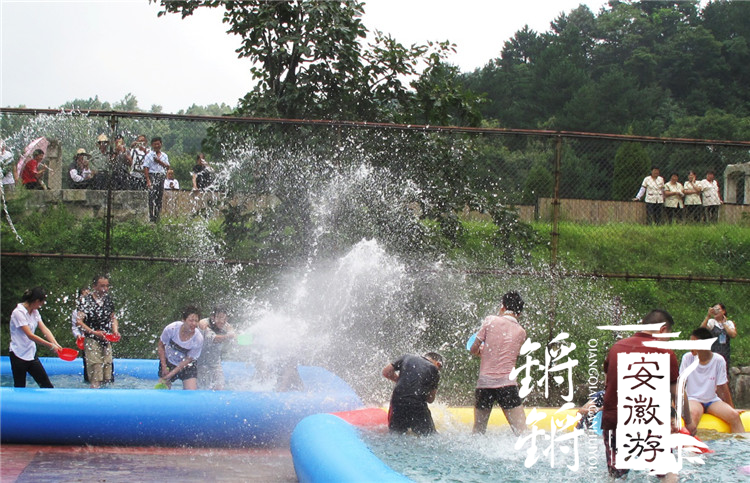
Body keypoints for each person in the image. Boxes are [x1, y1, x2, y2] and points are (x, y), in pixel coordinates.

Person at [601, 309, 694, 479]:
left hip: (614, 420)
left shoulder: (616, 347)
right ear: (663, 329)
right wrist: (689, 422)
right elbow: (678, 393)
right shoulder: (665, 352)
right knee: (667, 472)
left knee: (616, 475)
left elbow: (608, 382)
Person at [469, 291, 528, 435]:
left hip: (485, 384)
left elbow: (473, 349)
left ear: (502, 306)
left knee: (478, 432)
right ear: (519, 313)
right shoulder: (521, 332)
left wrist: (481, 352)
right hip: (507, 385)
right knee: (522, 433)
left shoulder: (490, 320)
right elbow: (508, 354)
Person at [680, 327, 744, 433]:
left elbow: (722, 387)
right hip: (693, 399)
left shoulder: (718, 360)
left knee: (734, 416)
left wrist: (732, 408)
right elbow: (680, 384)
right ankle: (690, 447)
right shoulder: (687, 358)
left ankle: (741, 446)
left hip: (711, 400)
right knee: (693, 415)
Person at [8, 287, 63, 388]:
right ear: (37, 301)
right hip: (18, 354)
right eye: (41, 303)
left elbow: (44, 329)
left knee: (47, 385)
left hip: (31, 354)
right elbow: (30, 335)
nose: (41, 305)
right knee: (20, 386)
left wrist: (55, 343)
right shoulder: (18, 313)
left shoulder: (34, 312)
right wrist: (50, 345)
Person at [382, 351, 444, 435]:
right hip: (417, 406)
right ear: (438, 364)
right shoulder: (434, 369)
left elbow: (386, 372)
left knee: (396, 434)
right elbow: (430, 399)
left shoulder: (406, 357)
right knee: (430, 436)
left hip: (397, 403)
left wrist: (400, 381)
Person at [76, 275, 119, 388]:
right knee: (96, 371)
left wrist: (115, 331)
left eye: (107, 286)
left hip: (106, 340)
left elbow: (113, 318)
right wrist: (94, 332)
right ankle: (93, 399)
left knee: (107, 373)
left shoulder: (108, 300)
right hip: (92, 340)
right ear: (94, 286)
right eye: (102, 286)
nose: (105, 289)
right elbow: (79, 322)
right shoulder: (86, 301)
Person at [158, 305, 204, 390]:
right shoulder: (172, 329)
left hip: (187, 365)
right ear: (183, 320)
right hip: (168, 362)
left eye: (196, 321)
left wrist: (172, 373)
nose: (194, 323)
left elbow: (188, 359)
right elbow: (161, 346)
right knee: (163, 389)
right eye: (191, 320)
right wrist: (164, 366)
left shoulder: (198, 338)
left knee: (191, 392)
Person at [197, 306, 236, 390]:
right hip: (199, 362)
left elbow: (233, 334)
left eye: (224, 318)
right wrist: (228, 336)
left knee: (220, 386)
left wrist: (234, 335)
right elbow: (214, 339)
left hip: (214, 362)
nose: (221, 321)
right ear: (213, 317)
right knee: (200, 387)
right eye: (219, 317)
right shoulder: (203, 323)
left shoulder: (226, 325)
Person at [700, 303, 736, 378]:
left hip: (725, 354)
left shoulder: (729, 323)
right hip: (712, 353)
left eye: (718, 309)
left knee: (724, 377)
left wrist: (724, 324)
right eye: (714, 309)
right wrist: (708, 316)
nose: (716, 311)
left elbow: (733, 335)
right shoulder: (712, 322)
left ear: (723, 311)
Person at [143, 136, 169, 222]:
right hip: (152, 175)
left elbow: (168, 166)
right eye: (155, 144)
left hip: (161, 176)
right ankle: (151, 216)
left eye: (158, 144)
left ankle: (157, 216)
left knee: (159, 197)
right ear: (152, 145)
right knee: (151, 197)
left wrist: (159, 162)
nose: (157, 146)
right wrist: (148, 180)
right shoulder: (148, 155)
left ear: (161, 144)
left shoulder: (164, 155)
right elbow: (146, 168)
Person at [71, 287, 90, 383]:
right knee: (87, 364)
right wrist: (78, 335)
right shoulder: (76, 312)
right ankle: (87, 381)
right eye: (84, 295)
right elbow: (75, 327)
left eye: (88, 294)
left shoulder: (95, 308)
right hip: (85, 340)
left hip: (97, 339)